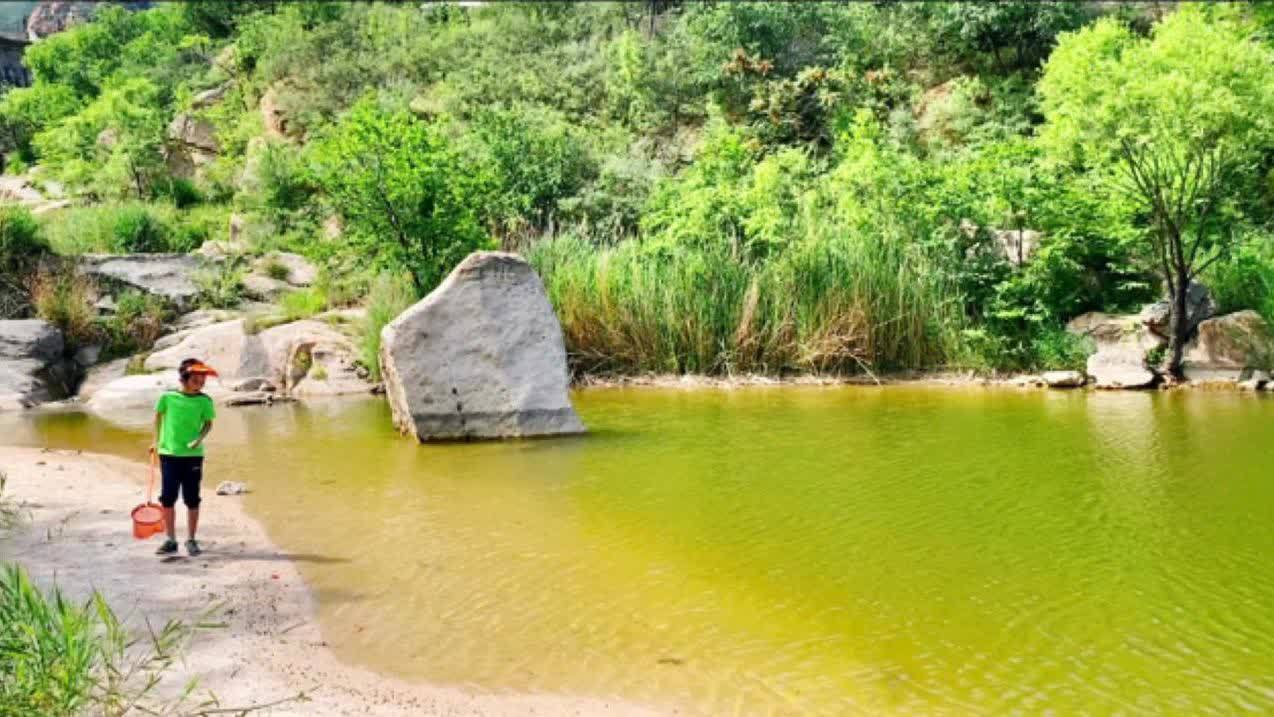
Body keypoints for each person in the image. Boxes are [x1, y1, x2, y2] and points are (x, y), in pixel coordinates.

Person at [150, 358, 218, 556]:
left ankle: (191, 539)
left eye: (203, 380)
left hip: (193, 456)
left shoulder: (205, 401)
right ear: (184, 378)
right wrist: (155, 442)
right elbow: (157, 417)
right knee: (168, 497)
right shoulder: (167, 397)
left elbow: (208, 424)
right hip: (169, 454)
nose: (200, 383)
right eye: (196, 379)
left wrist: (198, 440)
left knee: (192, 499)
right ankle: (170, 540)